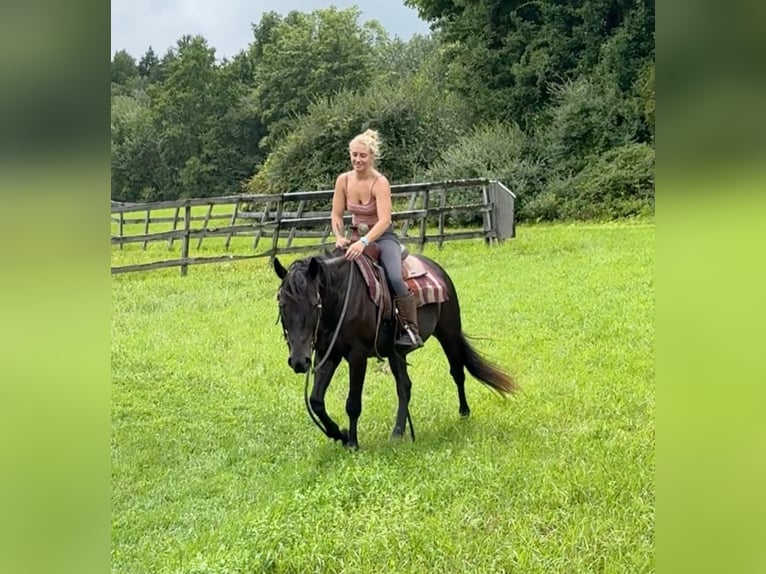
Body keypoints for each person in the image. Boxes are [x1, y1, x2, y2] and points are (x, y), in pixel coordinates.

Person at [331, 129, 423, 351]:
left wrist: (363, 242)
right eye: (354, 155)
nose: (357, 160)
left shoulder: (380, 182)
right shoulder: (343, 180)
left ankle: (410, 329)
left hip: (382, 238)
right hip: (353, 236)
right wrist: (339, 236)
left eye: (362, 155)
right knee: (330, 272)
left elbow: (384, 220)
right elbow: (336, 214)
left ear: (372, 156)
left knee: (393, 275)